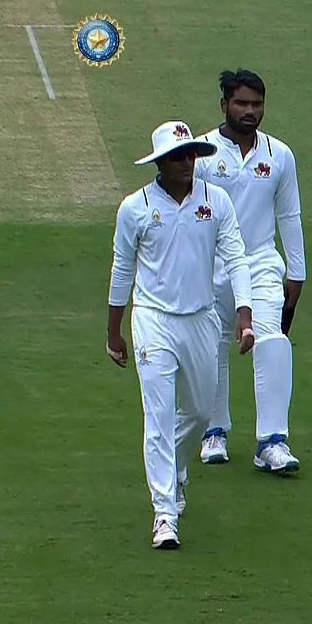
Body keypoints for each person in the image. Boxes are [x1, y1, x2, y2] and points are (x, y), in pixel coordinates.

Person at [105, 120, 256, 550]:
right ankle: (165, 513)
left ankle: (174, 473)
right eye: (177, 156)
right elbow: (121, 270)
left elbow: (236, 258)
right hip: (153, 319)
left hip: (202, 318)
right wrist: (114, 332)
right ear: (159, 163)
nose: (187, 162)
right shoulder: (135, 208)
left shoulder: (217, 202)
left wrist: (245, 316)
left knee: (200, 410)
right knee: (157, 415)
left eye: (191, 154)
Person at [194, 69, 307, 473]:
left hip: (260, 261)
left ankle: (272, 442)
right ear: (224, 104)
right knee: (212, 345)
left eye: (257, 104)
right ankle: (213, 431)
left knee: (272, 339)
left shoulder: (279, 155)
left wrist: (297, 271)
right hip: (211, 265)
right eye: (241, 103)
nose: (249, 111)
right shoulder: (202, 152)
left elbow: (289, 215)